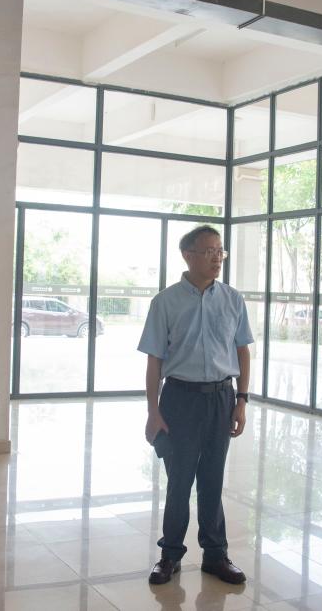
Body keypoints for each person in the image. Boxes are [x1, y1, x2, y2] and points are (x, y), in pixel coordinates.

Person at [139, 225, 253, 586]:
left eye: (220, 251)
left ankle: (215, 555)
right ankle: (170, 555)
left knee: (212, 479)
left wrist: (241, 400)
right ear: (188, 255)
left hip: (221, 397)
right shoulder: (165, 302)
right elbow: (155, 360)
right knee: (179, 480)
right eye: (209, 251)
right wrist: (153, 410)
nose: (217, 258)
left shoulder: (233, 299)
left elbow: (243, 351)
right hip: (180, 399)